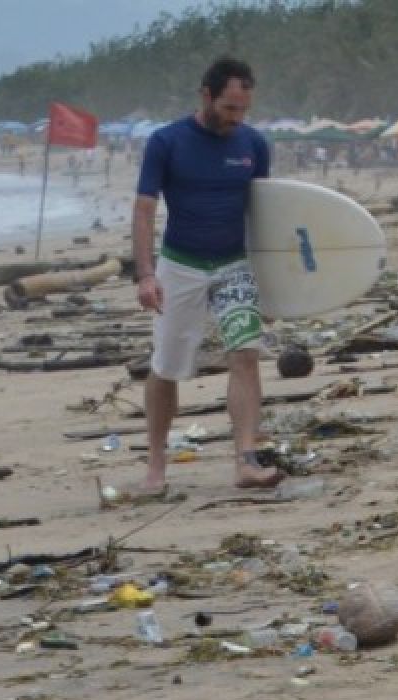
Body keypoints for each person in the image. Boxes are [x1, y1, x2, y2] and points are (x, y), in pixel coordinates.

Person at [132, 56, 282, 492]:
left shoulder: (253, 145)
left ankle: (246, 461)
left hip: (235, 265)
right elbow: (144, 210)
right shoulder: (167, 142)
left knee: (245, 353)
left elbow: (264, 215)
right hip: (180, 266)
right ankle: (156, 468)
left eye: (243, 110)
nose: (236, 119)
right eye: (229, 108)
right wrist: (145, 275)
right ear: (206, 95)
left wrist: (273, 286)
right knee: (167, 367)